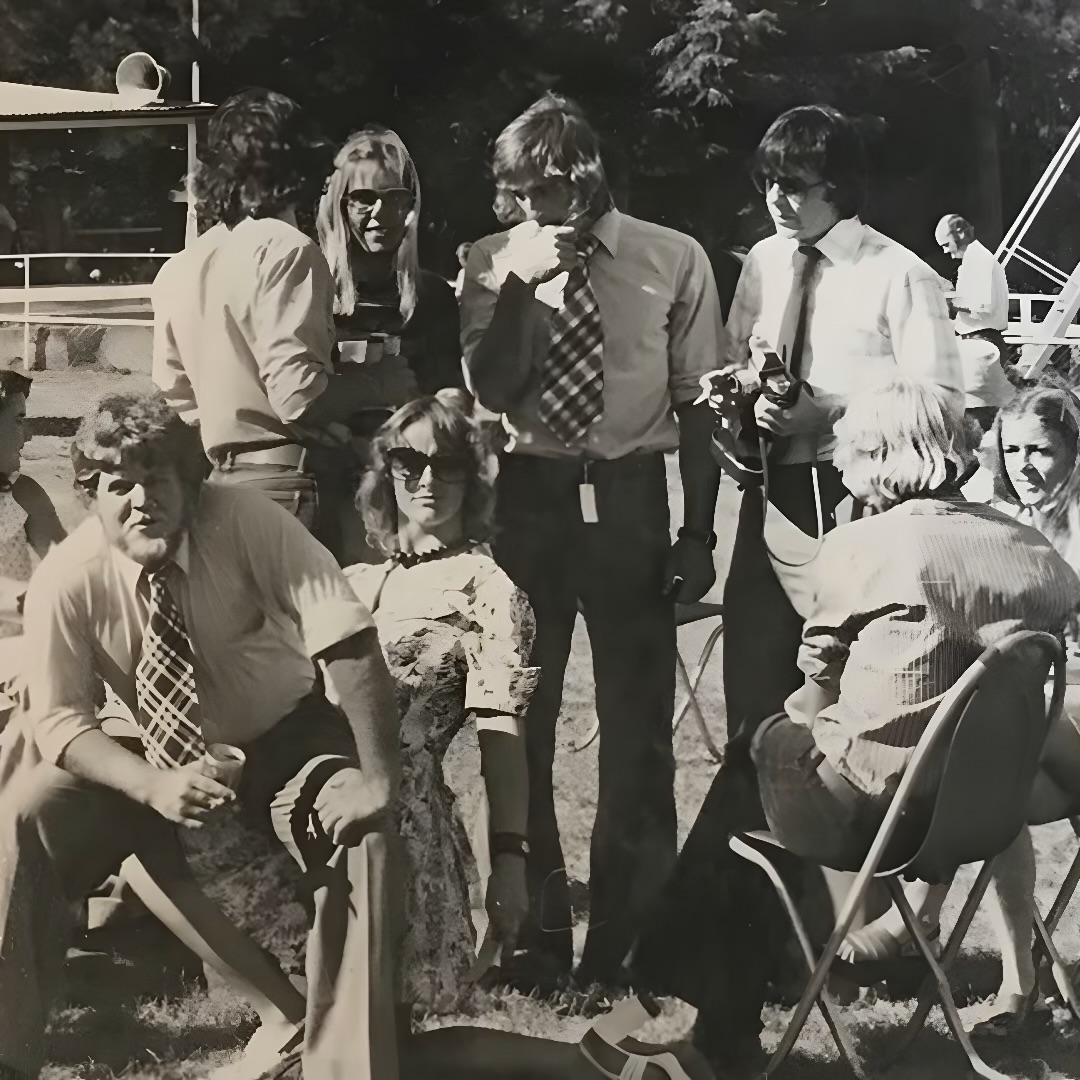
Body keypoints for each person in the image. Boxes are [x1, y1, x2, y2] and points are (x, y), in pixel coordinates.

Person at [577, 378, 1080, 1079]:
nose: (835, 461)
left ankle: (701, 1024)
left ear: (878, 454)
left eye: (842, 446)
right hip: (976, 816)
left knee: (752, 764)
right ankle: (701, 1004)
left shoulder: (863, 546)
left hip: (873, 814)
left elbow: (813, 701)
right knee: (763, 803)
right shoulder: (1035, 552)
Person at [0, 391, 402, 1080]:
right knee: (28, 815)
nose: (139, 501)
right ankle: (8, 1052)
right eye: (117, 485)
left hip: (284, 733)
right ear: (91, 495)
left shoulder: (250, 521)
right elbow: (62, 719)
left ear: (193, 482)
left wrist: (378, 779)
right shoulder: (68, 575)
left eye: (157, 479)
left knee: (358, 830)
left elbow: (347, 638)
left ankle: (349, 1059)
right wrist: (150, 785)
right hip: (152, 754)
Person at [460, 92, 726, 989]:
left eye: (546, 192)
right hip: (529, 498)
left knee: (638, 729)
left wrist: (697, 531)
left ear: (586, 179)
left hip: (629, 498)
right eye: (518, 194)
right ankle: (535, 940)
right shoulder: (491, 261)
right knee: (522, 717)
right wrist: (520, 285)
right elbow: (492, 391)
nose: (531, 210)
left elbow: (697, 407)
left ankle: (633, 944)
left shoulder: (671, 257)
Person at [343, 390, 534, 1016]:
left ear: (471, 477)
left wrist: (509, 861)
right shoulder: (356, 581)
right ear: (387, 474)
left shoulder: (487, 589)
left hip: (407, 824)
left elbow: (500, 739)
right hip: (325, 811)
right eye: (410, 463)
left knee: (408, 1032)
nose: (429, 480)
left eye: (449, 463)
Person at [151, 89, 387, 563]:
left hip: (219, 484)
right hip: (286, 482)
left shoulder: (181, 265)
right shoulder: (287, 249)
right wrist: (378, 384)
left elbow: (176, 395)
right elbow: (298, 396)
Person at [316, 127, 464, 404]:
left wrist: (451, 401)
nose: (380, 214)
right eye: (364, 198)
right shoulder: (311, 292)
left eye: (395, 197)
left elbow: (447, 385)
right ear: (339, 205)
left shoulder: (432, 296)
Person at [935, 213, 1015, 430]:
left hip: (981, 344)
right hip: (980, 340)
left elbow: (980, 308)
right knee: (977, 418)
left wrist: (945, 301)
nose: (945, 251)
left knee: (979, 421)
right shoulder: (975, 259)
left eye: (945, 244)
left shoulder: (977, 261)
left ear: (960, 234)